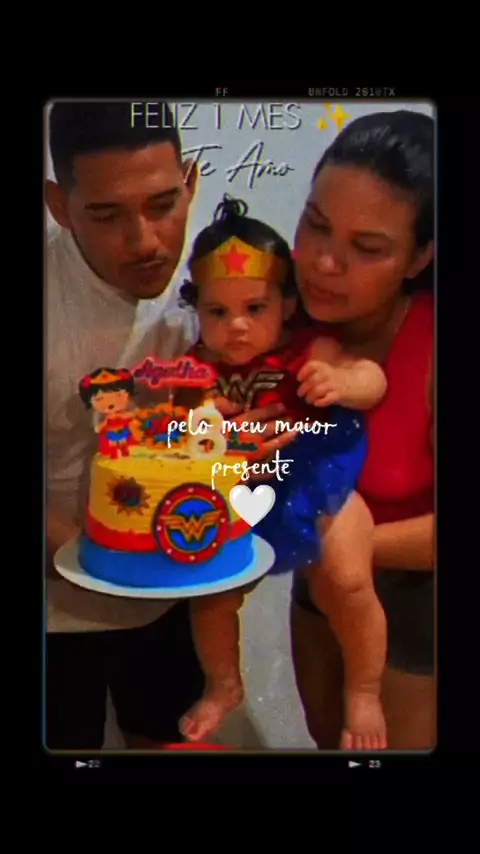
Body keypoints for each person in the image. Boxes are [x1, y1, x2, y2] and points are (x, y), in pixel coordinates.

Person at [45, 100, 289, 751]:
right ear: (59, 206)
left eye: (162, 205)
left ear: (189, 182)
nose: (146, 241)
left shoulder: (213, 289)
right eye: (107, 215)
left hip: (175, 596)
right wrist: (102, 551)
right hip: (55, 618)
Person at [176, 195, 389, 748]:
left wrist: (343, 383)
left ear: (288, 303)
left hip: (314, 478)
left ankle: (365, 690)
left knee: (348, 578)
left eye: (255, 307)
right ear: (197, 309)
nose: (236, 326)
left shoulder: (310, 349)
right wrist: (198, 418)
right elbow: (175, 432)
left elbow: (373, 379)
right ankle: (224, 684)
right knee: (211, 594)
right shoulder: (195, 368)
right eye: (217, 312)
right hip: (238, 493)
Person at [289, 110, 435, 750]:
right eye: (316, 224)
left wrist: (347, 545)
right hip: (318, 582)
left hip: (417, 599)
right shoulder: (276, 319)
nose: (324, 263)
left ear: (419, 256)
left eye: (367, 248)